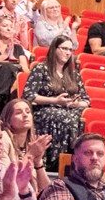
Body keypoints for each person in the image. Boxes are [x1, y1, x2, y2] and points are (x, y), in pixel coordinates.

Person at [24, 35, 88, 172]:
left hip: (70, 110)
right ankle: (56, 164)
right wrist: (55, 100)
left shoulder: (74, 74)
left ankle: (75, 164)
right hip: (45, 110)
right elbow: (28, 95)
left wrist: (75, 104)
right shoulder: (41, 69)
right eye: (64, 48)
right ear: (54, 49)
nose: (67, 53)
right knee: (65, 118)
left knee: (79, 119)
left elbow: (86, 100)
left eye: (70, 50)